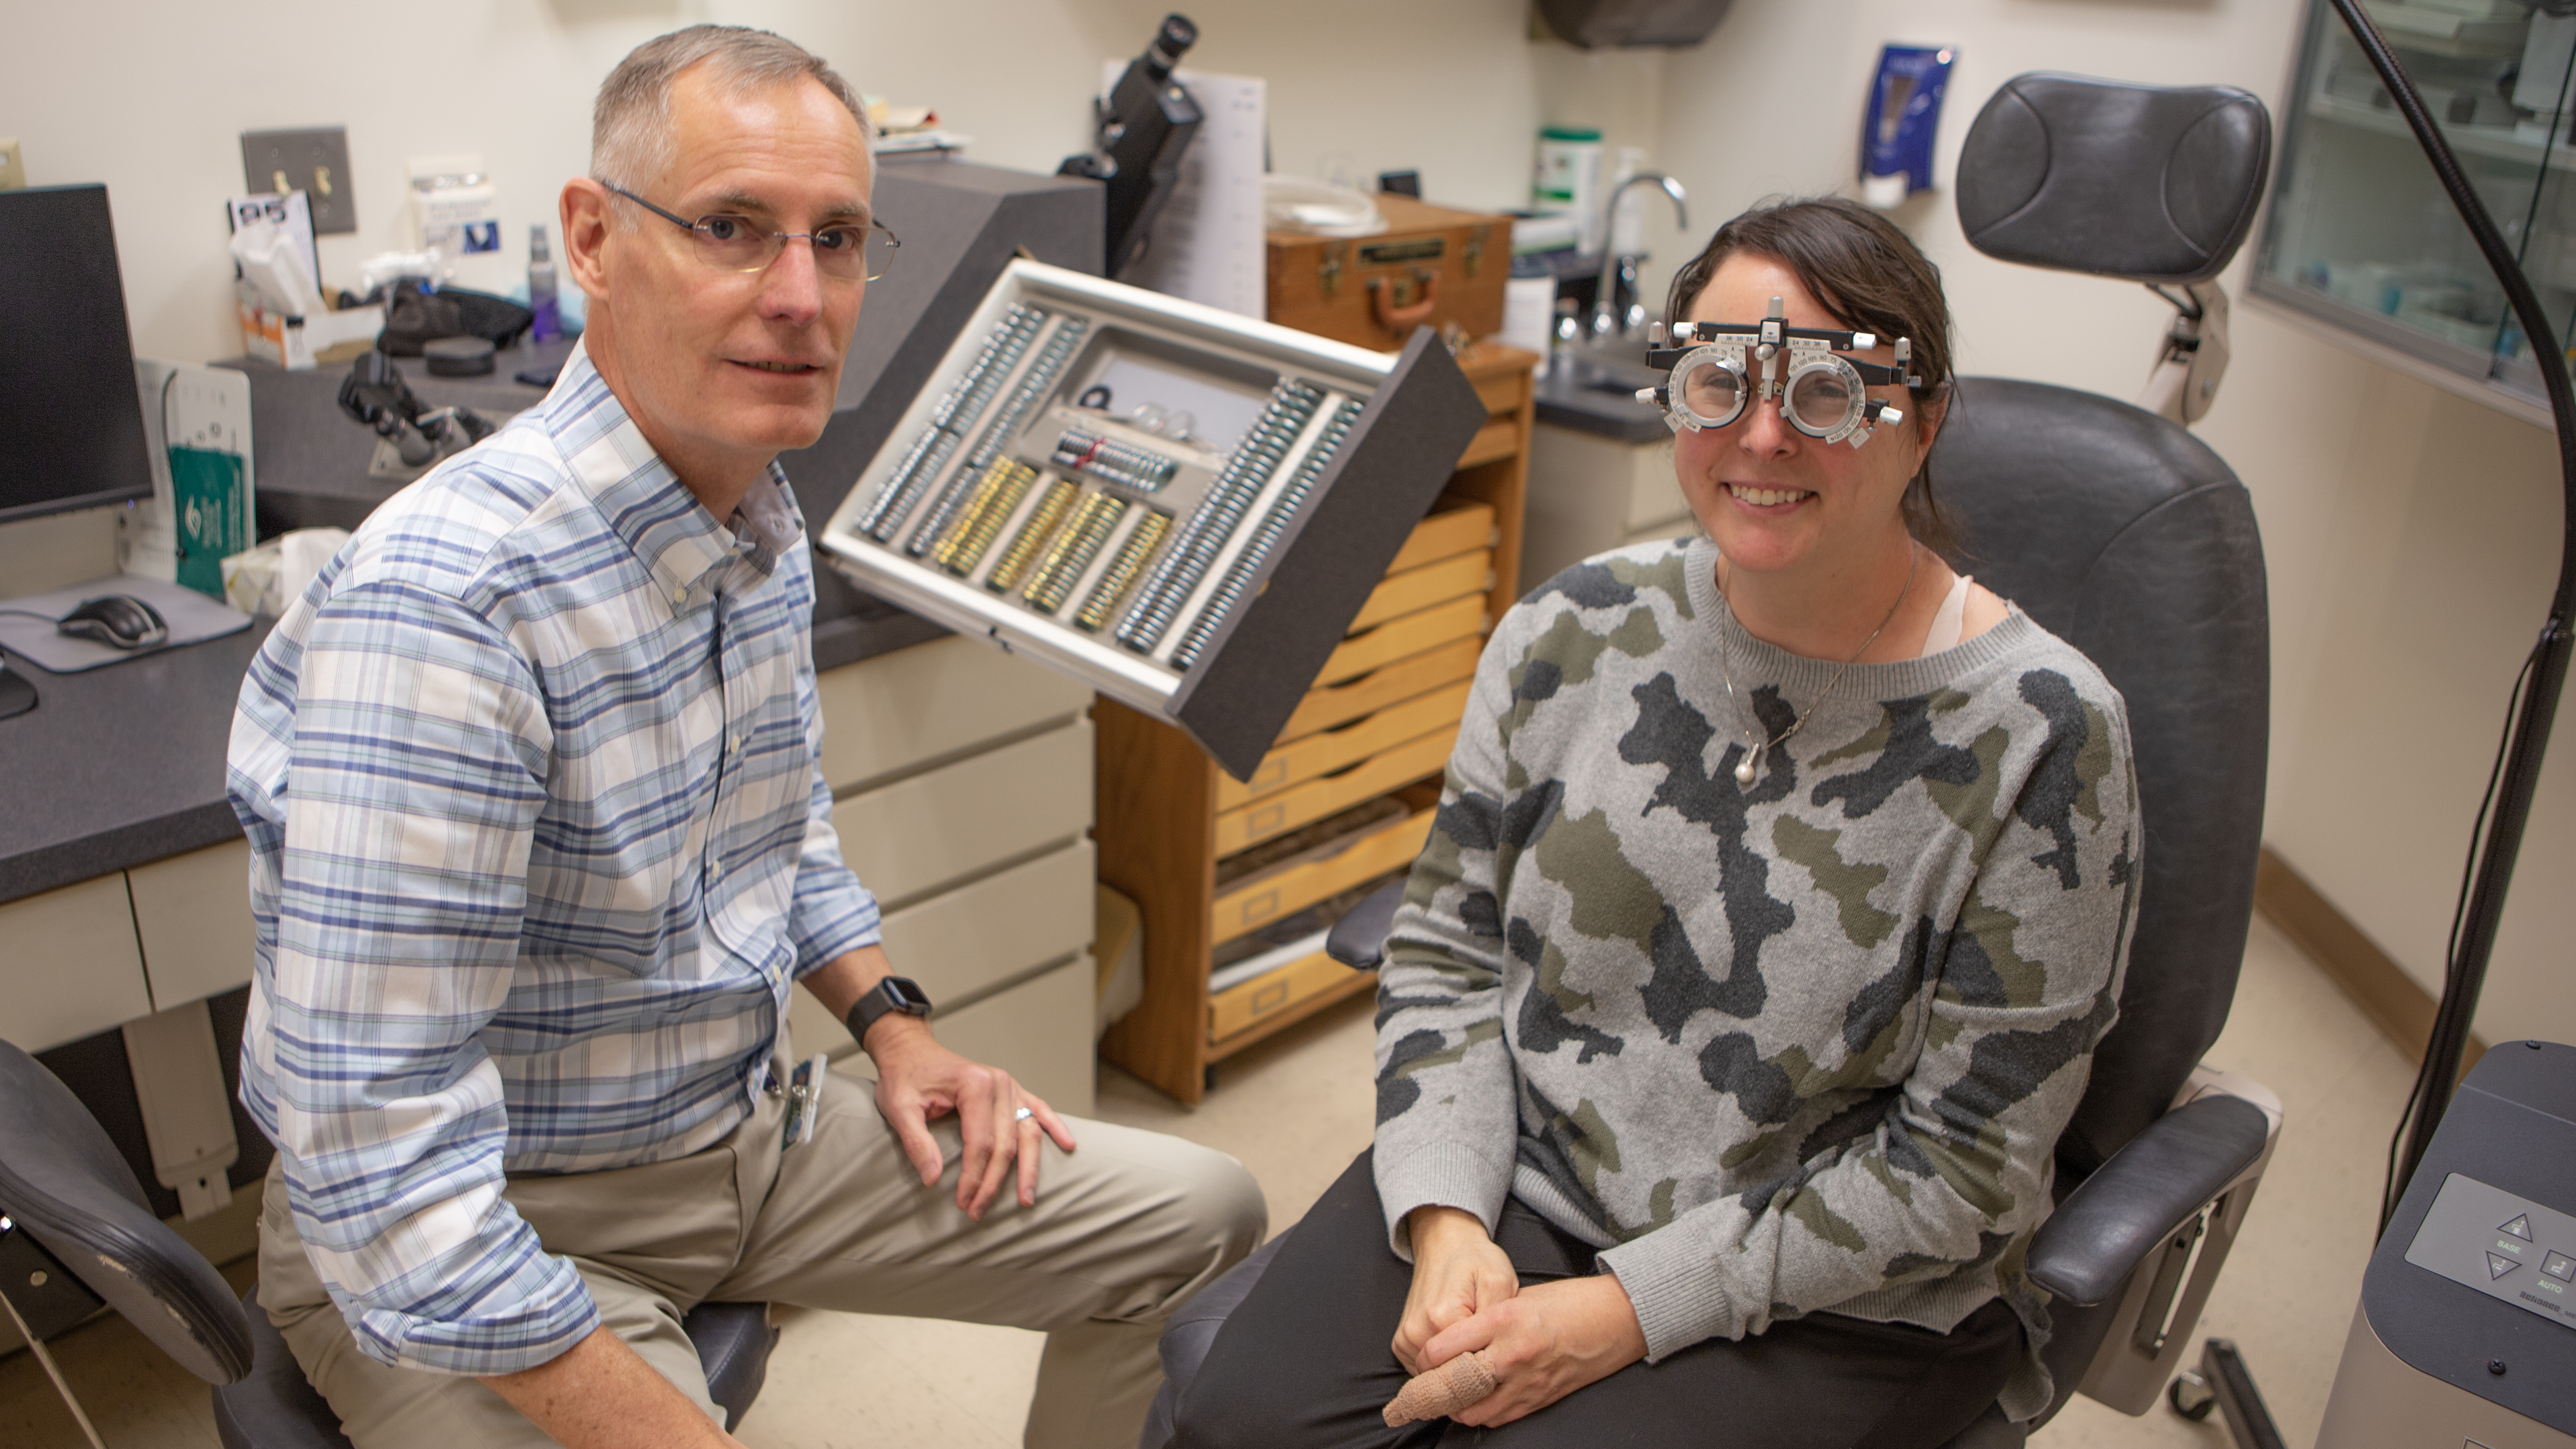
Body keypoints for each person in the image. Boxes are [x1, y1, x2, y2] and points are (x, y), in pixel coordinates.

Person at [226, 26, 1264, 1449]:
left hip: (741, 1133)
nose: (800, 296)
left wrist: (895, 1025)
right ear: (593, 239)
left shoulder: (753, 515)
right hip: (490, 1214)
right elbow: (379, 1160)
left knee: (1204, 1218)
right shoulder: (450, 609)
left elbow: (781, 829)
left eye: (836, 240)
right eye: (732, 228)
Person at [1172, 197, 2140, 1448]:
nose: (1763, 434)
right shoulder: (1569, 631)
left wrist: (1628, 1308)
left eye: (1832, 396)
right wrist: (1447, 1211)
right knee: (1232, 1425)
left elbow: (1965, 1169)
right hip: (1537, 1175)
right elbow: (1447, 952)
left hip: (1841, 1294)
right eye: (1718, 379)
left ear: (1926, 420)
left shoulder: (2046, 734)